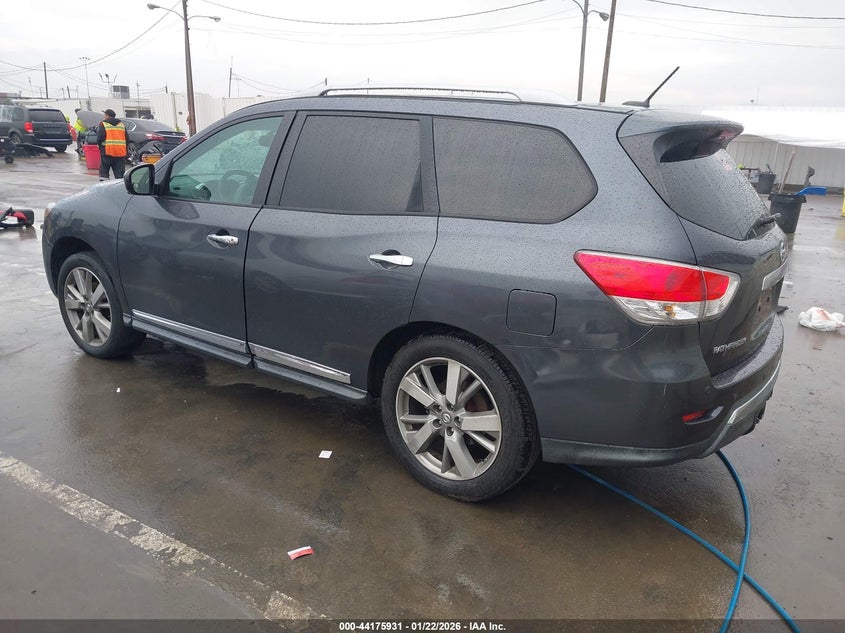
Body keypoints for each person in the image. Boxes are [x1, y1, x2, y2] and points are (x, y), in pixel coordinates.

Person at [96, 109, 128, 180]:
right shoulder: (121, 124)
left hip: (107, 151)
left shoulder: (103, 124)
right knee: (120, 174)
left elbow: (100, 137)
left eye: (105, 115)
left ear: (107, 116)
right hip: (120, 152)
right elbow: (127, 138)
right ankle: (119, 188)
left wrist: (99, 145)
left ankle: (104, 187)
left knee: (104, 172)